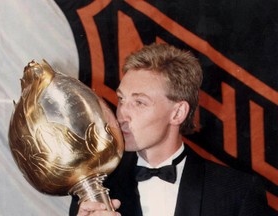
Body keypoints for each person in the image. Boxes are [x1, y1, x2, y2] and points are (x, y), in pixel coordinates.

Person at [69, 43, 268, 216]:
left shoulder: (236, 192)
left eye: (139, 102)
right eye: (122, 99)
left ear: (178, 113)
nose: (121, 115)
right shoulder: (95, 186)